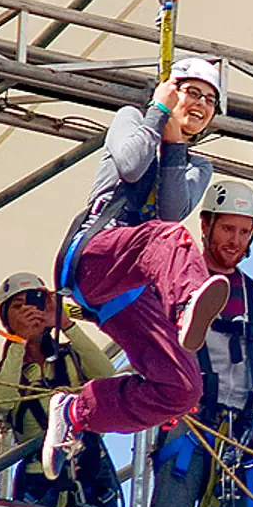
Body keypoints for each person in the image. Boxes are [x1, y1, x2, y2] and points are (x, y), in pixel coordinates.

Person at [45, 58, 232, 479]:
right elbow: (130, 164)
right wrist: (157, 113)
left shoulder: (198, 167)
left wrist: (175, 146)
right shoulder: (131, 119)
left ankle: (76, 412)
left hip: (127, 290)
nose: (201, 104)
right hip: (95, 253)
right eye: (192, 92)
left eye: (210, 100)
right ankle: (186, 304)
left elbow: (170, 208)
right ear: (170, 90)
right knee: (170, 238)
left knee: (182, 386)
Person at [149, 181, 253, 507]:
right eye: (227, 228)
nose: (235, 240)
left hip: (239, 438)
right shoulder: (178, 283)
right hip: (187, 428)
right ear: (206, 226)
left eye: (244, 231)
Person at [0, 273, 121, 507]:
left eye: (34, 303)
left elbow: (108, 376)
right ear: (6, 318)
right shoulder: (1, 375)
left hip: (92, 476)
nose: (29, 311)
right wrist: (19, 341)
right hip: (39, 483)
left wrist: (65, 323)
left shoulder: (73, 359)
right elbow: (1, 402)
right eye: (18, 306)